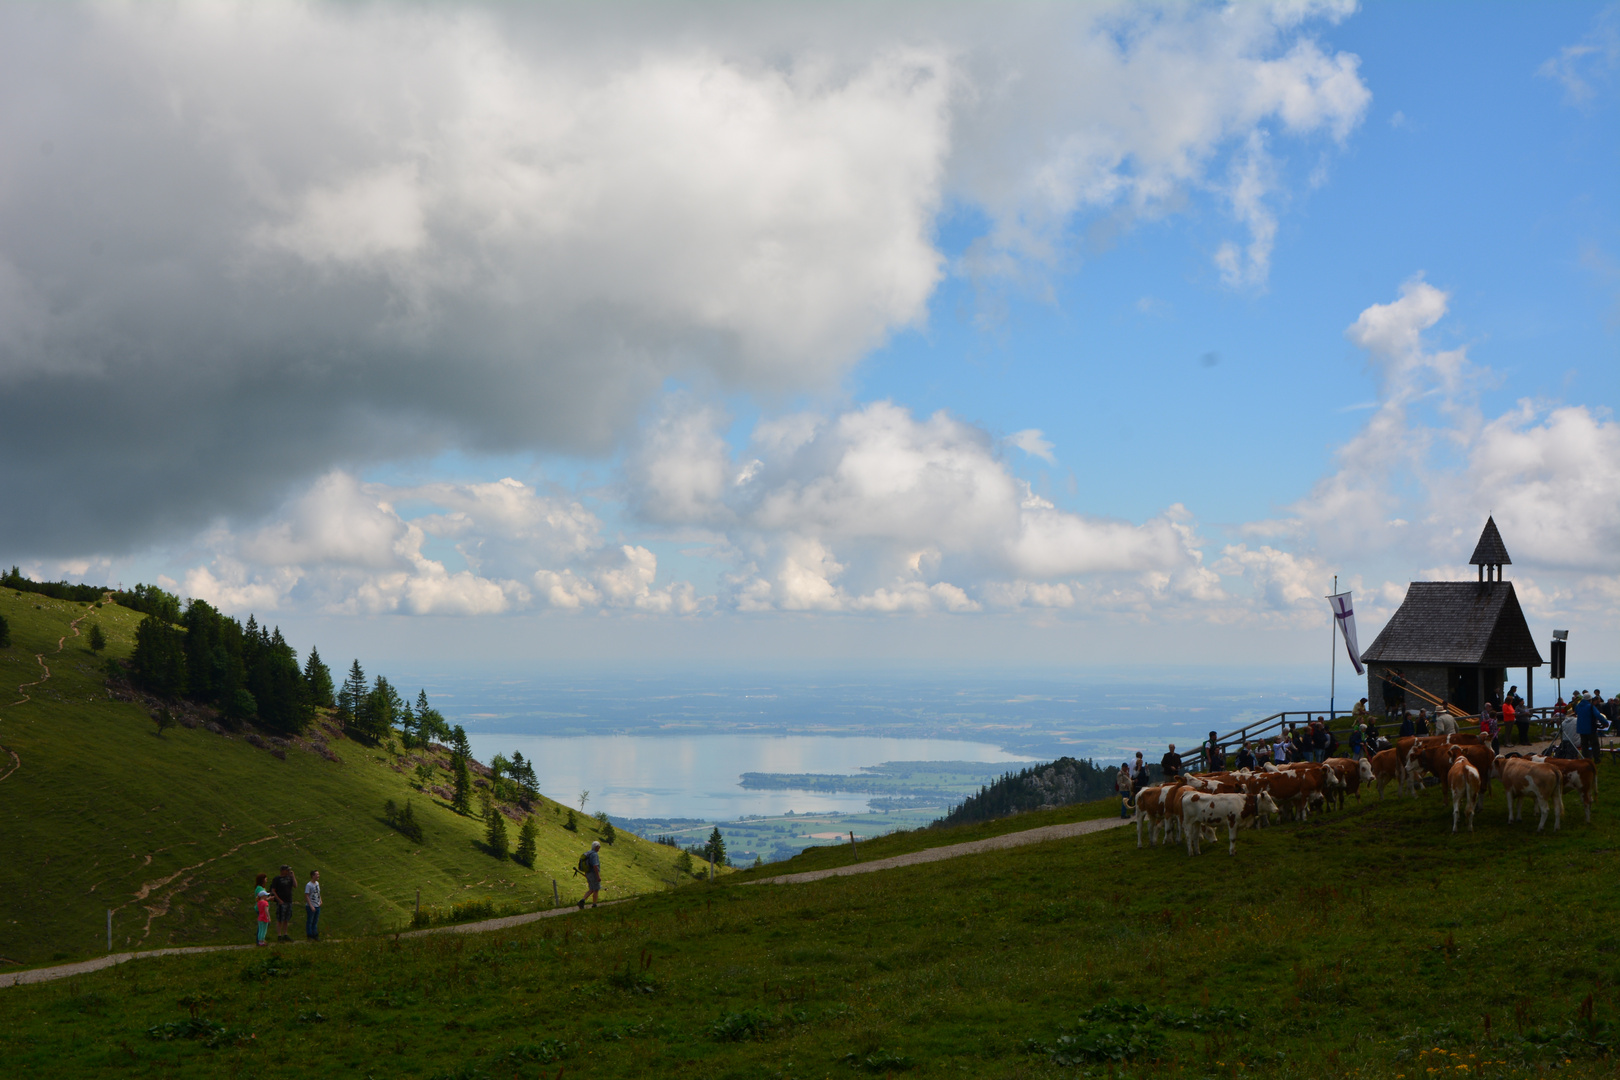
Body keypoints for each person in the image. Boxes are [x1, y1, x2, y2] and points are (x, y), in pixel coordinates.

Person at [270, 864, 298, 943]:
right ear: (282, 871)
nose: (288, 871)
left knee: (286, 919)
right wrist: (278, 900)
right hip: (281, 902)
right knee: (280, 919)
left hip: (289, 900)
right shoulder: (277, 879)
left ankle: (285, 934)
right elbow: (273, 890)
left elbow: (295, 885)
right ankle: (279, 935)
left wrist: (293, 876)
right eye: (287, 870)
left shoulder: (289, 878)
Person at [577, 840, 603, 909]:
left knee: (591, 889)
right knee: (596, 889)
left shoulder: (588, 853)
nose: (599, 848)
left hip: (588, 873)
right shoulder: (594, 854)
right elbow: (595, 866)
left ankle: (582, 901)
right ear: (596, 847)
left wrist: (586, 874)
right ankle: (594, 905)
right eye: (599, 847)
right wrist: (598, 876)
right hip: (593, 874)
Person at [1576, 692, 1601, 763]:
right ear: (1590, 700)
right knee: (1595, 744)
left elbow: (1576, 712)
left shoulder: (1578, 706)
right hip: (1590, 728)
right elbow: (1598, 715)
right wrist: (1605, 723)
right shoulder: (1590, 706)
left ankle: (1585, 760)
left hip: (1581, 729)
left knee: (1584, 745)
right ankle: (1596, 759)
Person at [304, 869, 322, 941]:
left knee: (315, 921)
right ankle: (309, 935)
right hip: (311, 906)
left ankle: (315, 934)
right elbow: (307, 895)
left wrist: (320, 900)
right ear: (312, 876)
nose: (318, 876)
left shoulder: (317, 883)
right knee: (310, 921)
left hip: (317, 905)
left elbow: (318, 893)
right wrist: (311, 905)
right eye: (317, 874)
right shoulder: (309, 885)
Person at [254, 874, 271, 947]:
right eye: (265, 878)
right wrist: (269, 899)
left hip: (263, 909)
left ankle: (260, 940)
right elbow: (261, 898)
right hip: (262, 910)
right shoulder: (259, 888)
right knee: (262, 927)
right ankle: (260, 941)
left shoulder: (261, 888)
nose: (266, 879)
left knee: (262, 926)